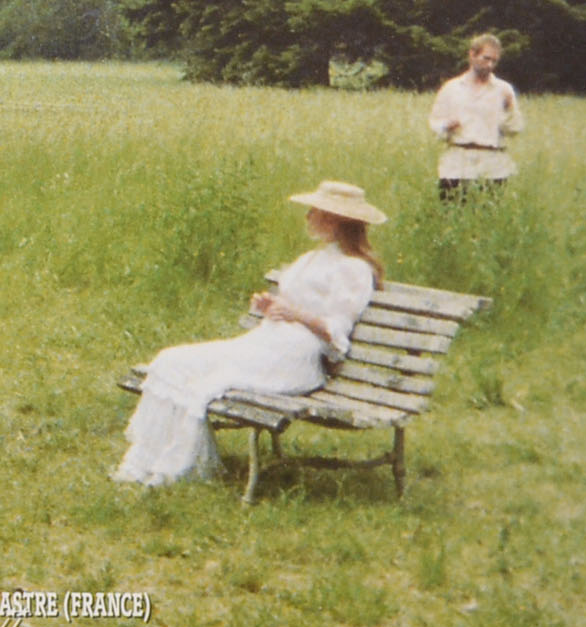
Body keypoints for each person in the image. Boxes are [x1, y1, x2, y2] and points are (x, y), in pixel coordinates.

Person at [113, 180, 387, 488]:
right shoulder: (312, 259)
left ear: (335, 220)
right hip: (268, 343)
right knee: (171, 361)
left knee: (209, 380)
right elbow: (294, 305)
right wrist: (269, 305)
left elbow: (336, 330)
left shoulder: (353, 269)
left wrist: (296, 315)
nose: (308, 216)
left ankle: (174, 469)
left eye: (316, 211)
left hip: (297, 358)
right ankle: (148, 460)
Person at [428, 33, 523, 199]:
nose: (490, 65)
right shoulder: (451, 88)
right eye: (486, 58)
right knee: (451, 217)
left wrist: (508, 110)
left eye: (494, 61)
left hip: (492, 167)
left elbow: (514, 129)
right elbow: (434, 123)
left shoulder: (503, 90)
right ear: (472, 54)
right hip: (456, 165)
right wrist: (445, 126)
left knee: (488, 219)